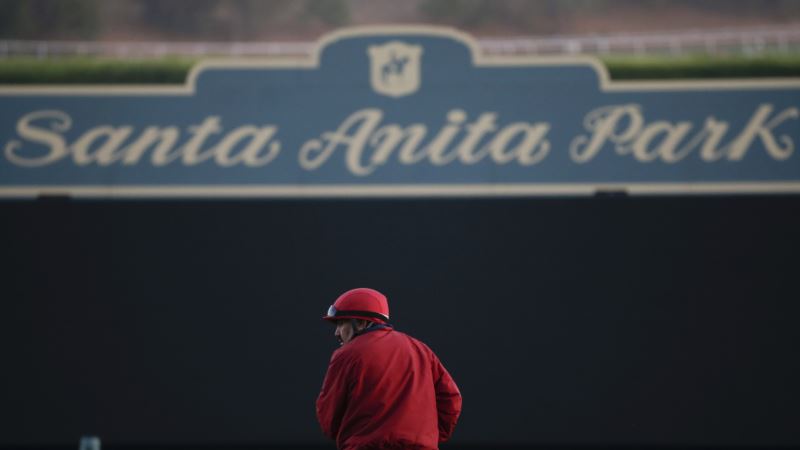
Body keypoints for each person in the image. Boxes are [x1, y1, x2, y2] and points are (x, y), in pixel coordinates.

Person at [316, 287, 462, 450]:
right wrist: (429, 436)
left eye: (341, 323)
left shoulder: (346, 355)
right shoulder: (421, 350)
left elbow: (329, 417)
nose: (336, 333)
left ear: (361, 323)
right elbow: (451, 399)